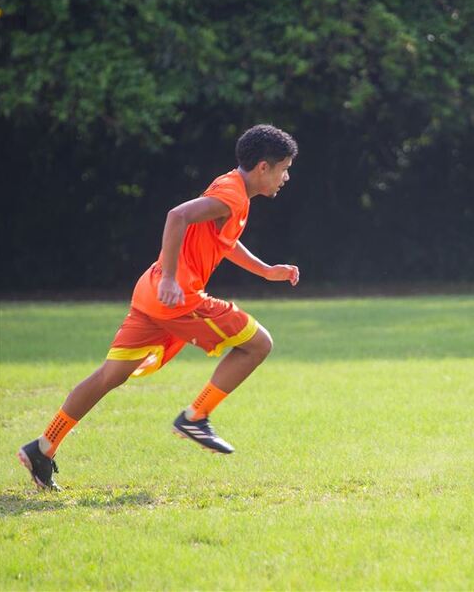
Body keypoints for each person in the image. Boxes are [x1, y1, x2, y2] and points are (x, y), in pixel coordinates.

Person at [17, 125, 300, 490]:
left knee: (109, 376)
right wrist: (170, 278)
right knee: (259, 344)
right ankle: (195, 416)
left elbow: (224, 241)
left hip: (151, 294)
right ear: (263, 167)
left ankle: (43, 446)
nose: (286, 177)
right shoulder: (232, 194)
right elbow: (176, 216)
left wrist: (265, 270)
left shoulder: (232, 190)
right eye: (284, 168)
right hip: (176, 297)